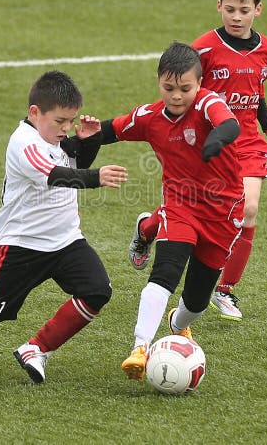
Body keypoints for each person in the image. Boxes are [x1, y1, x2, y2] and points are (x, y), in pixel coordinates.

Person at [0, 71, 128, 382]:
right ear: (35, 112)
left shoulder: (54, 137)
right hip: (23, 245)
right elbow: (55, 175)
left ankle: (36, 349)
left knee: (97, 291)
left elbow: (72, 162)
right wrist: (96, 178)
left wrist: (89, 142)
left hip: (66, 241)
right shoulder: (23, 143)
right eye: (60, 121)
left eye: (70, 121)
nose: (66, 129)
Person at [128, 0, 267, 321]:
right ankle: (148, 228)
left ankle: (225, 290)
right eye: (230, 9)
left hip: (246, 142)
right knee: (195, 206)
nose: (236, 16)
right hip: (205, 142)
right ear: (219, 6)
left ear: (257, 10)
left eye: (244, 10)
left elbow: (256, 93)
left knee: (246, 210)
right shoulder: (203, 48)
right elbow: (180, 88)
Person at [96, 42, 243, 381]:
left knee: (196, 303)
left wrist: (217, 139)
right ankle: (140, 347)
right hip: (181, 205)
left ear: (199, 84)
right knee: (164, 273)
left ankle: (177, 324)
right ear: (159, 82)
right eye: (168, 88)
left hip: (223, 212)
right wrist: (77, 139)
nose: (177, 96)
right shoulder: (150, 116)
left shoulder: (208, 102)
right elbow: (112, 129)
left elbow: (230, 125)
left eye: (185, 89)